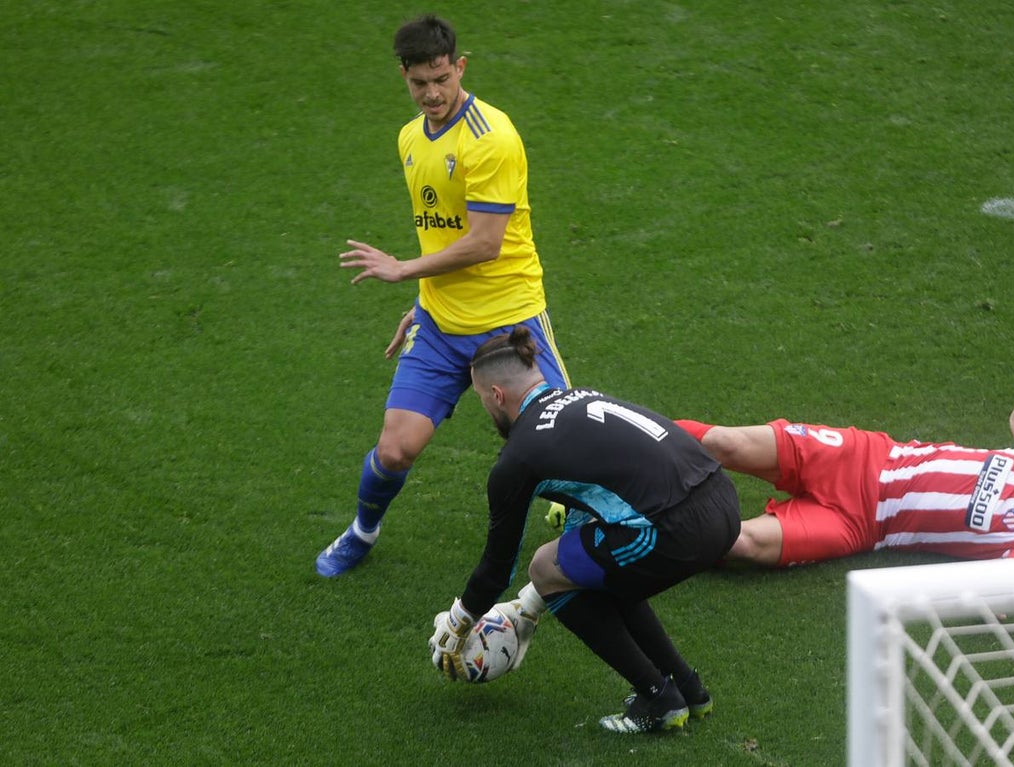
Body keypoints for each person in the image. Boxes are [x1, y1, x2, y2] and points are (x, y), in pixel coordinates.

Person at [316, 15, 569, 577]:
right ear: (403, 76)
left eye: (441, 79)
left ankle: (607, 538)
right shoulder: (410, 137)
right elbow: (442, 235)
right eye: (419, 83)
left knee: (563, 452)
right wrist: (423, 303)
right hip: (439, 324)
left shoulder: (491, 138)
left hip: (509, 321)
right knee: (394, 450)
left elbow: (484, 243)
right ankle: (362, 531)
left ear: (460, 67)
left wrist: (402, 270)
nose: (431, 93)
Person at [428, 327, 742, 733]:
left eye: (481, 398)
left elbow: (497, 568)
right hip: (723, 499)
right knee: (590, 567)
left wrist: (459, 623)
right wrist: (528, 609)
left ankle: (657, 698)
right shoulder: (581, 398)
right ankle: (687, 689)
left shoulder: (518, 458)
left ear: (496, 395)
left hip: (676, 528)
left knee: (545, 567)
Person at [676, 325, 1014, 566]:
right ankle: (634, 433)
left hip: (862, 525)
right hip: (865, 457)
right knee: (724, 442)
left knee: (742, 542)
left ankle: (644, 531)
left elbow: (997, 600)